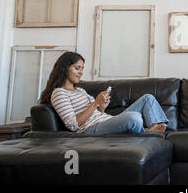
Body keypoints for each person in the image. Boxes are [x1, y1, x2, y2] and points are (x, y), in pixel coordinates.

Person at [39, 52, 168, 134]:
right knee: (133, 117)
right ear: (64, 69)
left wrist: (102, 107)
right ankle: (146, 134)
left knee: (148, 98)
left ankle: (154, 127)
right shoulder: (59, 93)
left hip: (106, 121)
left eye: (82, 69)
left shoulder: (80, 90)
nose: (80, 72)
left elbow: (97, 115)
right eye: (77, 68)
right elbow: (73, 125)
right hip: (90, 129)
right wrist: (95, 103)